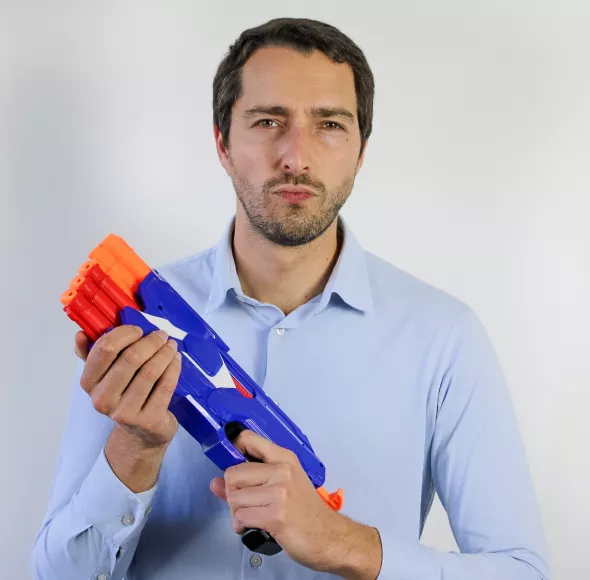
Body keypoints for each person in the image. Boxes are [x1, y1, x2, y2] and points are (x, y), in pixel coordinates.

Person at [31, 17, 550, 580]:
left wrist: (341, 542)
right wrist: (134, 448)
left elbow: (523, 571)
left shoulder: (444, 339)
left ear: (361, 151)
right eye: (268, 120)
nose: (296, 156)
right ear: (223, 143)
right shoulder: (132, 319)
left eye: (329, 124)